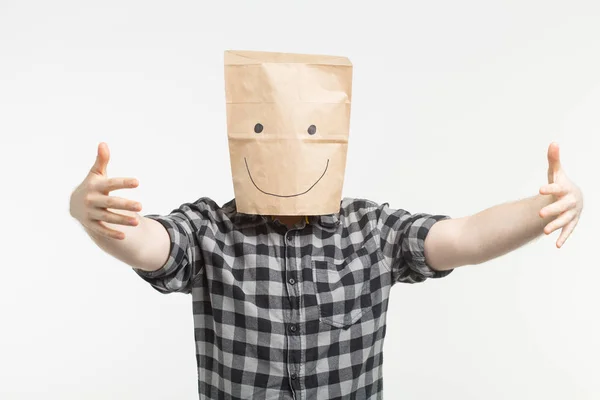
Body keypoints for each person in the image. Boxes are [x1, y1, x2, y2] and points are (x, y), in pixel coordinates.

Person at [69, 51, 584, 400]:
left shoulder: (372, 230)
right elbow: (152, 244)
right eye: (263, 130)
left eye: (312, 132)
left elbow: (464, 237)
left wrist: (546, 208)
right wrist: (89, 212)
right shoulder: (211, 230)